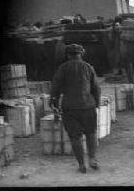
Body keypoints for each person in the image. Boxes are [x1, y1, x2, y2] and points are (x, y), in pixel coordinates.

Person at [50, 44, 100, 174]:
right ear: (81, 54)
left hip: (70, 107)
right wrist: (97, 103)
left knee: (75, 137)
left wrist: (53, 103)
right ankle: (93, 159)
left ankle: (81, 164)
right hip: (88, 106)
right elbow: (96, 87)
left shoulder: (63, 68)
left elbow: (55, 87)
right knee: (91, 132)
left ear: (68, 55)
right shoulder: (89, 67)